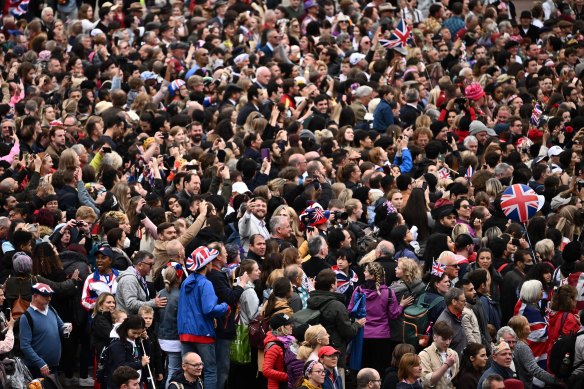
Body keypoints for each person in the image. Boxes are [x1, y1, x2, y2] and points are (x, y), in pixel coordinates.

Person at [178, 246, 229, 389]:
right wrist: (225, 306)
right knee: (210, 370)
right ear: (207, 264)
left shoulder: (186, 282)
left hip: (185, 333)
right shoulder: (206, 283)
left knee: (187, 369)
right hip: (203, 333)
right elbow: (209, 309)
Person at [348, 262, 413, 374]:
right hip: (382, 336)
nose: (364, 272)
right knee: (379, 371)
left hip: (363, 335)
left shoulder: (358, 290)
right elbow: (393, 314)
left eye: (366, 271)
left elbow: (350, 310)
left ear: (372, 275)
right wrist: (401, 305)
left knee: (364, 370)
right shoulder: (388, 292)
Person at [306, 269, 365, 380]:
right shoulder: (337, 306)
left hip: (315, 352)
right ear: (333, 285)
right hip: (334, 355)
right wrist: (357, 324)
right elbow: (348, 332)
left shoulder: (311, 301)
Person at [19, 283, 69, 378]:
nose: (49, 299)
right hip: (37, 368)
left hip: (53, 365)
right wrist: (40, 363)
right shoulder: (26, 317)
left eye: (50, 296)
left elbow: (61, 327)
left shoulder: (51, 310)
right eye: (46, 296)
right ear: (35, 296)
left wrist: (66, 328)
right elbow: (25, 345)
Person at [507, 315, 558, 389]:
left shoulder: (515, 344)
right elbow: (534, 369)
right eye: (527, 324)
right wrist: (556, 381)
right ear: (520, 329)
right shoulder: (522, 347)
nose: (529, 325)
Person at [158, 262, 185, 388]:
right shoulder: (180, 296)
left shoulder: (160, 293)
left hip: (162, 336)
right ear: (179, 277)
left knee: (170, 367)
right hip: (174, 338)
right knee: (173, 370)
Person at [105, 315, 150, 389]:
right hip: (122, 384)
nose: (136, 336)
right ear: (126, 328)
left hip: (136, 382)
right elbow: (120, 366)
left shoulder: (136, 340)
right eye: (134, 332)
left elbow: (147, 354)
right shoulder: (117, 344)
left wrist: (145, 339)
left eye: (139, 333)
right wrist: (140, 364)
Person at [419, 321, 459, 389]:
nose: (447, 342)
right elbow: (426, 382)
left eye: (449, 339)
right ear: (435, 338)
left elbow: (456, 379)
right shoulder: (424, 355)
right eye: (444, 339)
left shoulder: (453, 353)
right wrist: (446, 365)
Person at [263, 313, 295, 389]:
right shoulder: (274, 346)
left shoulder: (289, 341)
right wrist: (288, 376)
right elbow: (266, 370)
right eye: (288, 324)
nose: (292, 326)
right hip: (278, 386)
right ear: (281, 328)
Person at [435, 287, 467, 357]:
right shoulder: (444, 323)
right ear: (454, 302)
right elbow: (440, 351)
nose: (465, 303)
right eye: (463, 301)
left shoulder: (459, 315)